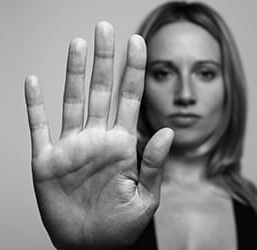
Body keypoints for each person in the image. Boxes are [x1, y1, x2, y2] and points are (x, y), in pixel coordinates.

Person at [24, 1, 257, 249]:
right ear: (141, 85)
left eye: (206, 73)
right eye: (163, 73)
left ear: (230, 86)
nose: (185, 95)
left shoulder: (253, 208)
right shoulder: (106, 196)